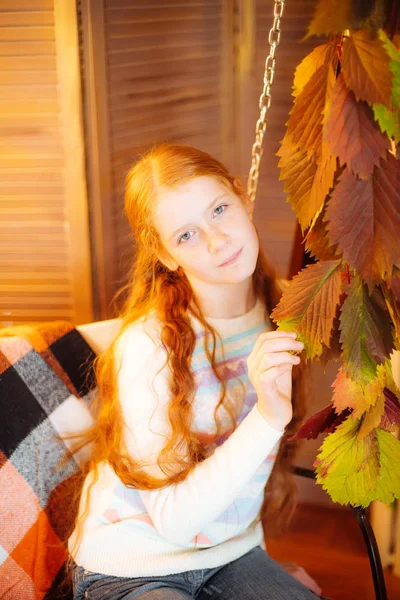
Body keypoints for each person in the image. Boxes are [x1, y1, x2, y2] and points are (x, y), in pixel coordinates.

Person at [68, 143, 322, 600]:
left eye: (219, 209)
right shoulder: (149, 347)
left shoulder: (287, 310)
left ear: (242, 197)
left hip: (231, 553)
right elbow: (176, 522)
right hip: (134, 561)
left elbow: (250, 474)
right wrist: (266, 417)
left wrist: (265, 570)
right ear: (163, 254)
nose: (216, 240)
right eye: (186, 235)